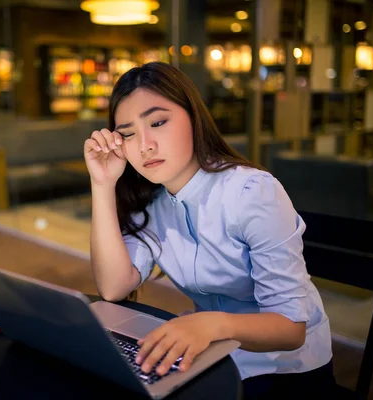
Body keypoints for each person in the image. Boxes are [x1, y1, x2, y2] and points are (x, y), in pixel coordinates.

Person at [83, 62, 335, 399]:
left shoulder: (252, 193)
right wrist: (102, 184)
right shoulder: (152, 201)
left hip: (285, 367)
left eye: (158, 122)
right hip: (212, 353)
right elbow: (113, 287)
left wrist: (212, 324)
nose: (144, 145)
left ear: (193, 118)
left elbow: (290, 329)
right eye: (127, 134)